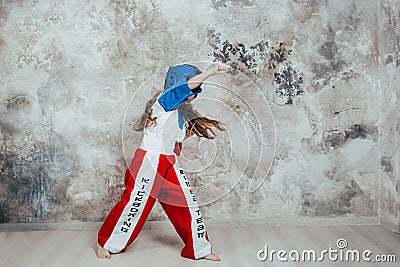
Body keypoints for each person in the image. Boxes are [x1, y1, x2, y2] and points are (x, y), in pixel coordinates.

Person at [97, 63, 230, 260]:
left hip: (169, 162)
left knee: (187, 204)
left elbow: (174, 142)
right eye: (190, 85)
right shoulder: (163, 102)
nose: (196, 92)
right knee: (136, 204)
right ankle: (106, 243)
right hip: (150, 161)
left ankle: (199, 249)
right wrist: (211, 72)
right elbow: (183, 89)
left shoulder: (179, 113)